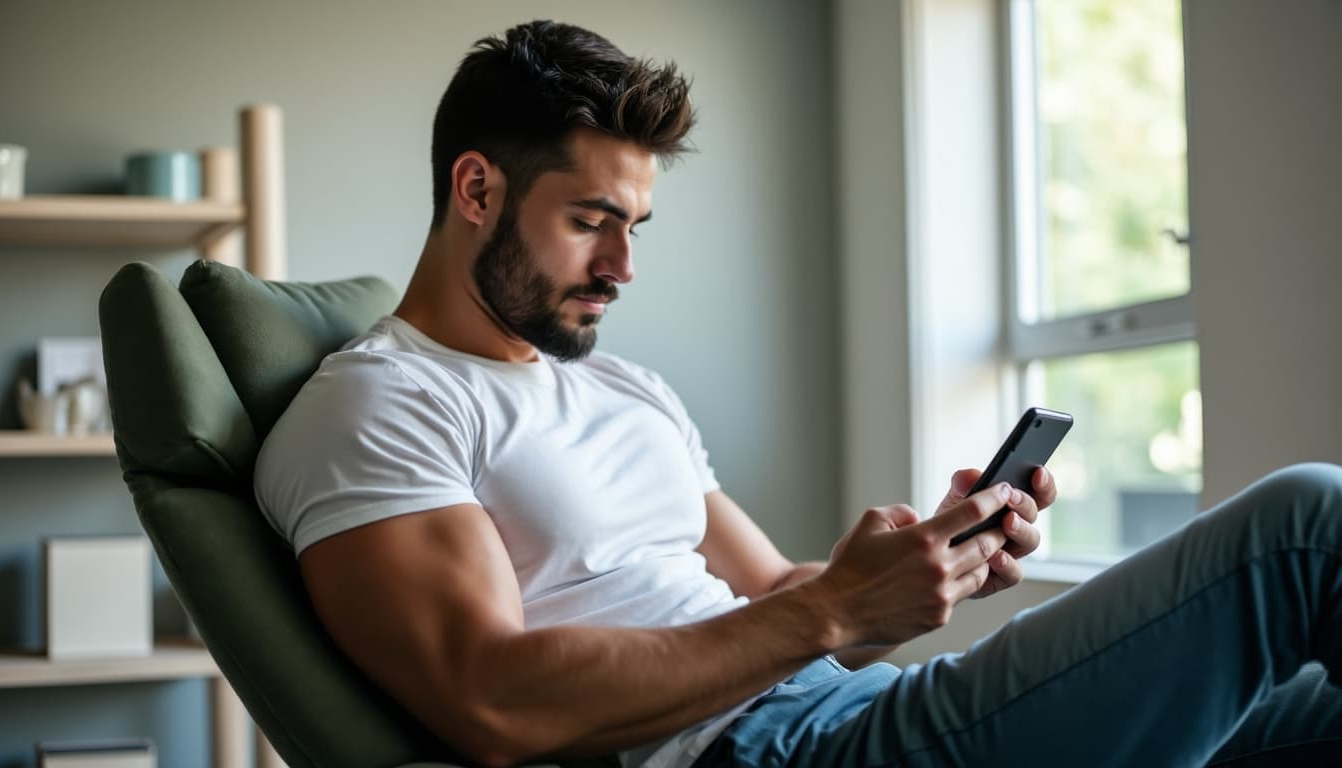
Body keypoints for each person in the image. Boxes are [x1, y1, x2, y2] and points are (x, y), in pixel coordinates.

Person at [254, 19, 1342, 768]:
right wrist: (831, 610)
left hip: (855, 710)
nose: (623, 268)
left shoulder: (625, 390)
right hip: (772, 752)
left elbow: (773, 588)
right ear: (477, 188)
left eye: (636, 228)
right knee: (1306, 530)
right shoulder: (378, 408)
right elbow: (489, 699)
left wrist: (929, 574)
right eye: (590, 221)